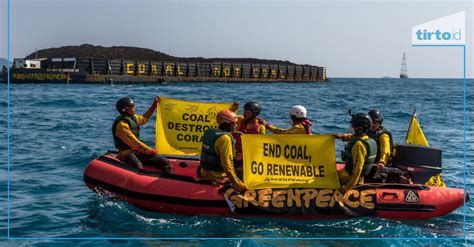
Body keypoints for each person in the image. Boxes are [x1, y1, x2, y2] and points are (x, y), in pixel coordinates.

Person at [112, 96, 170, 170]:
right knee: (137, 165)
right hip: (125, 153)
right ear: (124, 109)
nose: (135, 107)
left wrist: (154, 106)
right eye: (132, 106)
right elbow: (134, 142)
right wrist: (149, 150)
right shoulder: (122, 126)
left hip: (136, 151)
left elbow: (143, 118)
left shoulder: (133, 118)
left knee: (164, 161)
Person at [199, 109, 246, 192]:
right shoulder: (225, 139)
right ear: (229, 124)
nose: (235, 126)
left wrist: (232, 134)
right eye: (234, 124)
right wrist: (239, 185)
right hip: (217, 177)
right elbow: (228, 166)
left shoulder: (209, 131)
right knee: (243, 170)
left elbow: (215, 147)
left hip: (203, 172)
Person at [336, 113, 377, 192]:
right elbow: (351, 137)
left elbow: (357, 170)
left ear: (359, 128)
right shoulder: (366, 139)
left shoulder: (359, 145)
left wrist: (346, 188)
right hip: (360, 179)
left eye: (354, 126)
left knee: (328, 176)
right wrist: (338, 136)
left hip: (348, 178)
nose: (352, 128)